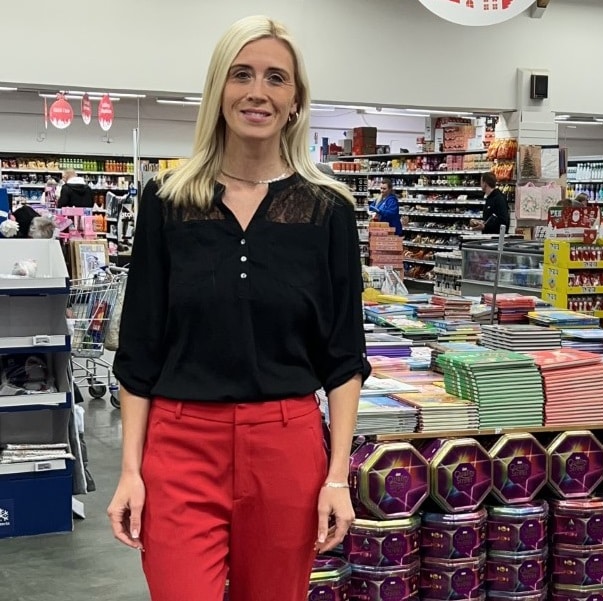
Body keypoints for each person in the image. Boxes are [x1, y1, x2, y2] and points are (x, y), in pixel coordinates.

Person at [107, 15, 370, 601]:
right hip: (179, 447)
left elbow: (344, 355)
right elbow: (140, 349)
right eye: (241, 74)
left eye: (276, 78)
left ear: (296, 100)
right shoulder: (167, 202)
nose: (258, 92)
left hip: (287, 446)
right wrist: (130, 470)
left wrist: (337, 477)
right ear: (217, 90)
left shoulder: (327, 210)